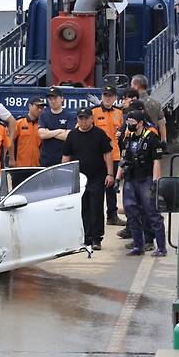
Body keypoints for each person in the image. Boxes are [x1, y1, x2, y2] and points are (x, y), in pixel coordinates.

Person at [62, 107, 114, 251]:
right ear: (77, 120)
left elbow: (108, 154)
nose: (83, 121)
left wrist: (110, 174)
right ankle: (86, 237)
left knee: (96, 208)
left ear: (92, 119)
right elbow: (66, 157)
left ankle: (97, 239)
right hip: (79, 179)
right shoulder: (72, 135)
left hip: (97, 177)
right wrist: (64, 177)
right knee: (83, 208)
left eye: (86, 118)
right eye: (81, 118)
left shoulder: (100, 134)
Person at [117, 110, 167, 257]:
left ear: (140, 123)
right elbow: (123, 159)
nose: (129, 125)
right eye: (128, 122)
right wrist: (117, 179)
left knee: (152, 213)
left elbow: (156, 161)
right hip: (130, 180)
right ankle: (138, 246)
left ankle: (161, 248)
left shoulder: (151, 138)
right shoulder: (128, 139)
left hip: (145, 180)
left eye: (132, 123)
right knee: (131, 212)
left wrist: (155, 182)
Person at [92, 85, 127, 227]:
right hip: (97, 156)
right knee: (96, 188)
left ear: (115, 98)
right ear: (101, 97)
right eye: (105, 95)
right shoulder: (93, 112)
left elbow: (125, 133)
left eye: (110, 96)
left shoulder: (119, 113)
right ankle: (95, 216)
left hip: (114, 155)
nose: (107, 98)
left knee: (112, 188)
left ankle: (112, 215)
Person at [38, 87, 73, 167]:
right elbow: (42, 135)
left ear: (62, 99)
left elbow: (68, 136)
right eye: (50, 99)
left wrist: (49, 132)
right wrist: (60, 130)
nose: (52, 101)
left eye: (55, 98)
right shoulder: (43, 116)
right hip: (46, 160)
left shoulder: (69, 116)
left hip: (63, 160)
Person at [131, 74, 167, 147]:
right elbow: (162, 124)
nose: (131, 88)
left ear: (137, 86)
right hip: (153, 139)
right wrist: (163, 141)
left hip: (137, 141)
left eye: (131, 85)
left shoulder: (133, 104)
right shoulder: (156, 103)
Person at [13, 97, 46, 167]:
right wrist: (12, 160)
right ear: (30, 106)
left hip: (38, 167)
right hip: (20, 166)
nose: (40, 110)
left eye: (42, 108)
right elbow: (10, 142)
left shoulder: (44, 125)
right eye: (37, 107)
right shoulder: (19, 123)